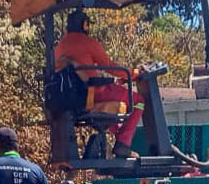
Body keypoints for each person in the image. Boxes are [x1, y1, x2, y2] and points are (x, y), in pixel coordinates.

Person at [54, 10, 144, 158]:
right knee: (139, 101)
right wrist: (134, 73)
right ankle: (123, 143)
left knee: (117, 98)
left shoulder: (58, 48)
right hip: (94, 93)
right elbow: (110, 66)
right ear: (85, 25)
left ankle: (119, 136)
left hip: (72, 101)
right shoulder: (88, 43)